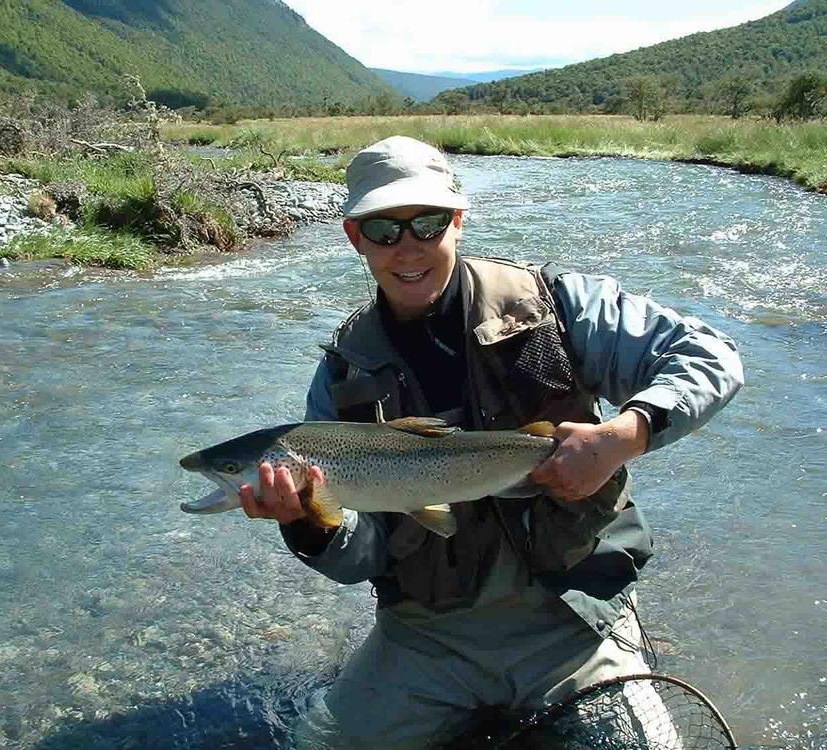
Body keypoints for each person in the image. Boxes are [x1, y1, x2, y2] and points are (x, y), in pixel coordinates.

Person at [237, 136, 744, 748]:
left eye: (425, 224)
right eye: (384, 231)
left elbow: (709, 356)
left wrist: (623, 435)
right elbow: (362, 556)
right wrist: (309, 524)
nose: (408, 249)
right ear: (355, 237)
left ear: (457, 219)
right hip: (427, 634)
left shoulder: (553, 305)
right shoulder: (345, 373)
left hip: (574, 615)